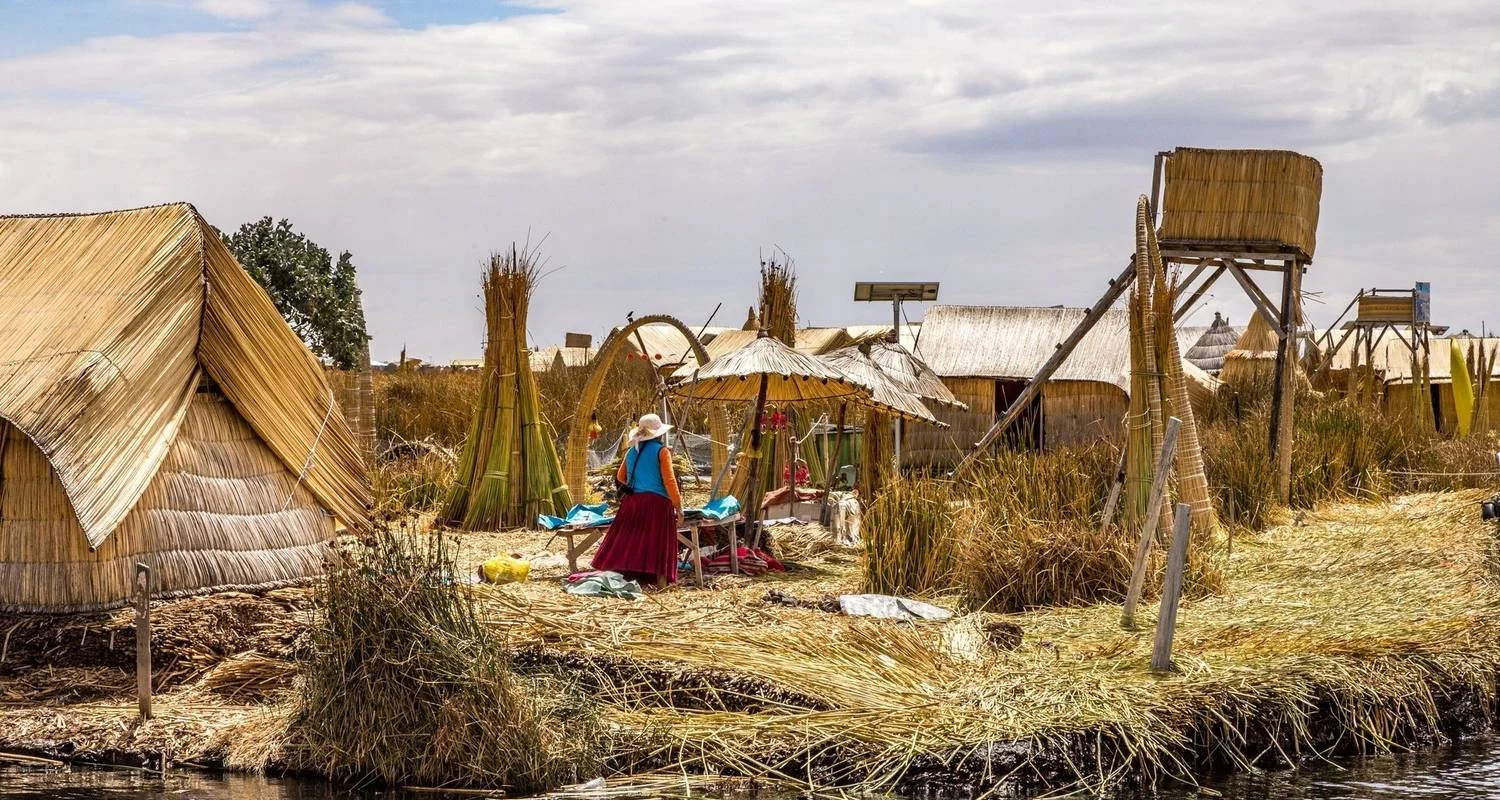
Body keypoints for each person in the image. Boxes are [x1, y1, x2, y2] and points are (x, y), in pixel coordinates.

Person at [590, 413, 683, 587]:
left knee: (631, 542)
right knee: (657, 542)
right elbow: (669, 480)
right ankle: (661, 583)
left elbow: (621, 476)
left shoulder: (632, 451)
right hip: (657, 504)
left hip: (632, 503)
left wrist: (639, 484)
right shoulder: (662, 451)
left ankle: (626, 578)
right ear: (659, 433)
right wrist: (678, 506)